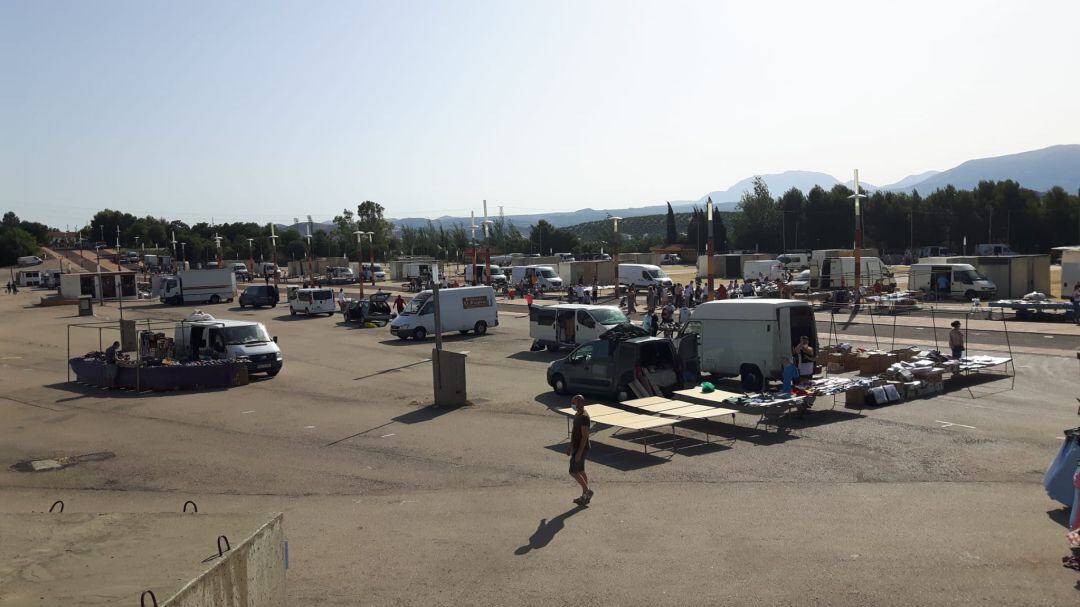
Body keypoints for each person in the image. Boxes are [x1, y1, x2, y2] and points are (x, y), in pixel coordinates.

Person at [568, 395, 593, 505]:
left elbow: (585, 437)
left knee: (573, 471)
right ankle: (585, 496)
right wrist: (570, 446)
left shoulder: (584, 417)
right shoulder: (577, 414)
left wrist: (579, 453)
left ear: (581, 404)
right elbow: (574, 431)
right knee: (581, 470)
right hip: (576, 447)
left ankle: (587, 491)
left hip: (581, 448)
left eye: (575, 403)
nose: (573, 405)